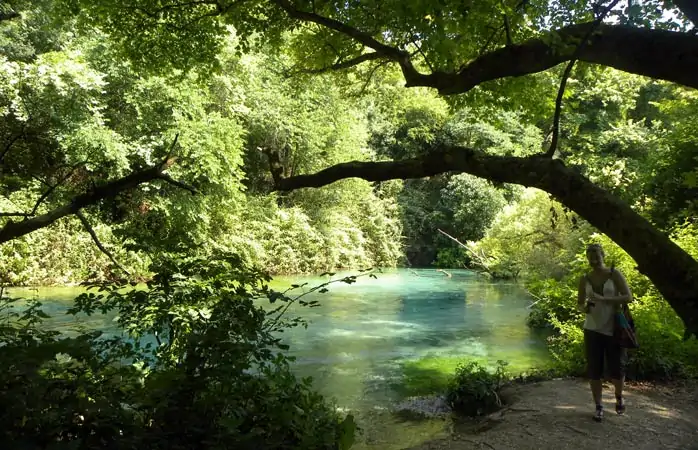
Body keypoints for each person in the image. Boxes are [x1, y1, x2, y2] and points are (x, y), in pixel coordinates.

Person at [577, 243, 633, 422]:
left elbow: (628, 296)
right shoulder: (584, 278)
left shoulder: (613, 274)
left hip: (613, 328)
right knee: (594, 370)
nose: (593, 257)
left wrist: (604, 299)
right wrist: (584, 308)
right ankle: (599, 406)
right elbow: (579, 304)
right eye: (590, 254)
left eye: (596, 254)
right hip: (592, 328)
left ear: (603, 255)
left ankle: (618, 397)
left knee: (617, 368)